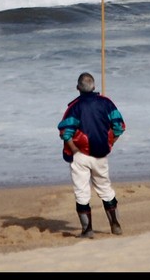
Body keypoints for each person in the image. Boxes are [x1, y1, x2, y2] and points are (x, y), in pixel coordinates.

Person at [57, 72, 126, 238]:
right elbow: (120, 126)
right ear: (94, 87)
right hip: (100, 155)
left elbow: (65, 131)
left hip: (80, 154)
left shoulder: (75, 107)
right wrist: (111, 142)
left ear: (77, 88)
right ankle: (115, 225)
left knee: (82, 192)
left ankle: (87, 230)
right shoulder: (106, 103)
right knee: (105, 188)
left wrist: (73, 149)